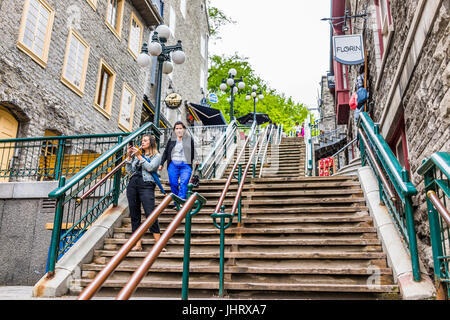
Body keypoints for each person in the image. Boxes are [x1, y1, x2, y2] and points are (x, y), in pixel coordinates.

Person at [125, 134, 163, 252]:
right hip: (133, 184)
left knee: (150, 213)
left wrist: (139, 157)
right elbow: (130, 171)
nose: (142, 142)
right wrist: (129, 158)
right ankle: (138, 244)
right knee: (134, 214)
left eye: (145, 140)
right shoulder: (137, 155)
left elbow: (151, 168)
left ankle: (159, 244)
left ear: (151, 142)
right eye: (142, 140)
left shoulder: (156, 155)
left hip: (146, 185)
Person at [159, 121, 198, 207]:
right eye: (177, 128)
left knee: (184, 182)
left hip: (186, 165)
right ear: (174, 130)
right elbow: (166, 152)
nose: (179, 130)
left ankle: (180, 202)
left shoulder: (189, 139)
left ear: (184, 129)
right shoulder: (171, 140)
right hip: (173, 164)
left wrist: (197, 159)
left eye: (180, 128)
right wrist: (161, 163)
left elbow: (193, 151)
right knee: (174, 183)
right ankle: (176, 202)